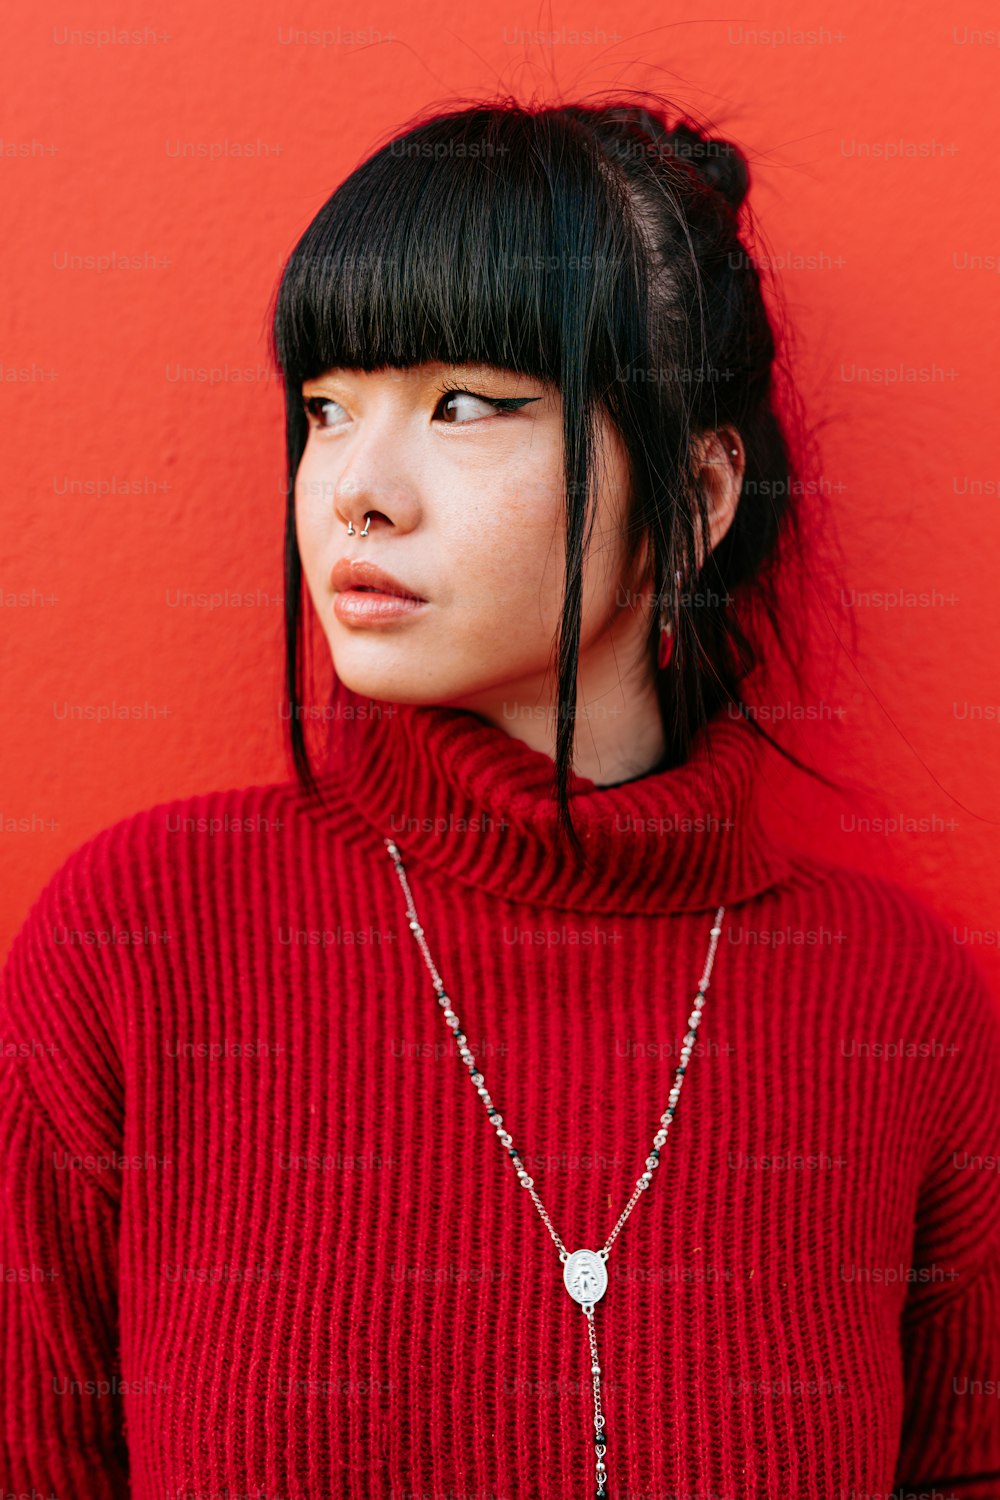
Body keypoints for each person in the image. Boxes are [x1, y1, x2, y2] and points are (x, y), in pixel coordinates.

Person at [2, 94, 998, 1499]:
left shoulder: (898, 1010)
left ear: (700, 490)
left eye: (463, 405)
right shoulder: (139, 946)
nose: (354, 487)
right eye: (325, 407)